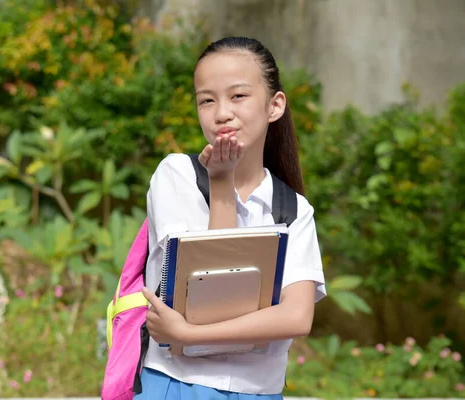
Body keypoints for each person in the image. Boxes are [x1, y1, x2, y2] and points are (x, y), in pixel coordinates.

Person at [137, 36, 327, 399]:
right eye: (206, 100)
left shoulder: (293, 209)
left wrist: (186, 335)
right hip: (176, 387)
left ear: (275, 105)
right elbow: (209, 301)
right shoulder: (177, 175)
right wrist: (221, 184)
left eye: (238, 96)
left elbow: (297, 317)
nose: (221, 112)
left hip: (259, 392)